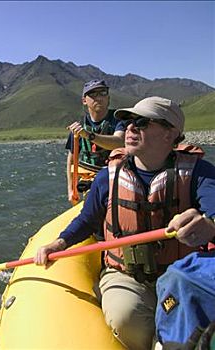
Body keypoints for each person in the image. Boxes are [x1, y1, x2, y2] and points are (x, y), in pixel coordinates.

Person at [35, 96, 215, 350]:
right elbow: (87, 219)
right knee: (125, 317)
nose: (130, 128)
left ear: (169, 134)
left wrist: (210, 226)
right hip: (126, 275)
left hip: (181, 274)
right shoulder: (108, 176)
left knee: (182, 326)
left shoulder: (199, 173)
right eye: (129, 122)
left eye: (141, 122)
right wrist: (60, 242)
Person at [65, 79, 126, 203]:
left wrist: (89, 135)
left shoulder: (119, 120)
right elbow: (72, 159)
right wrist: (71, 189)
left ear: (108, 97)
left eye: (102, 93)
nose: (98, 98)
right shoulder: (79, 127)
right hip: (90, 182)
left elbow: (119, 141)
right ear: (84, 100)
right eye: (92, 94)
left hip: (118, 180)